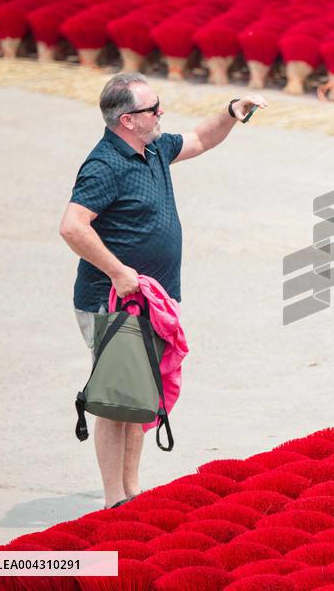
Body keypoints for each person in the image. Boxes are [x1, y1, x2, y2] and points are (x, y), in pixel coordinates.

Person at [59, 72, 267, 508]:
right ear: (127, 120)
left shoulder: (151, 147)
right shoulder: (105, 165)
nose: (161, 113)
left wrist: (231, 113)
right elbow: (72, 226)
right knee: (118, 401)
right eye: (153, 108)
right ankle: (114, 498)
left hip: (151, 300)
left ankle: (132, 490)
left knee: (138, 398)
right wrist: (118, 272)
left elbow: (200, 140)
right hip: (112, 302)